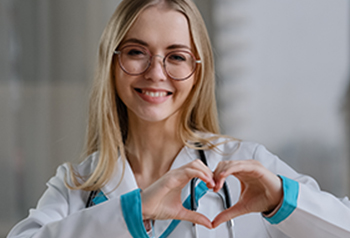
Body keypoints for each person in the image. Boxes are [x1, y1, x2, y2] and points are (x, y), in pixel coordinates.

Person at [7, 0, 350, 237]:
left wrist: (282, 200)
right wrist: (134, 211)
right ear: (112, 64)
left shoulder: (244, 166)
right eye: (136, 52)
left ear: (197, 72)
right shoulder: (76, 186)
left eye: (177, 56)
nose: (156, 73)